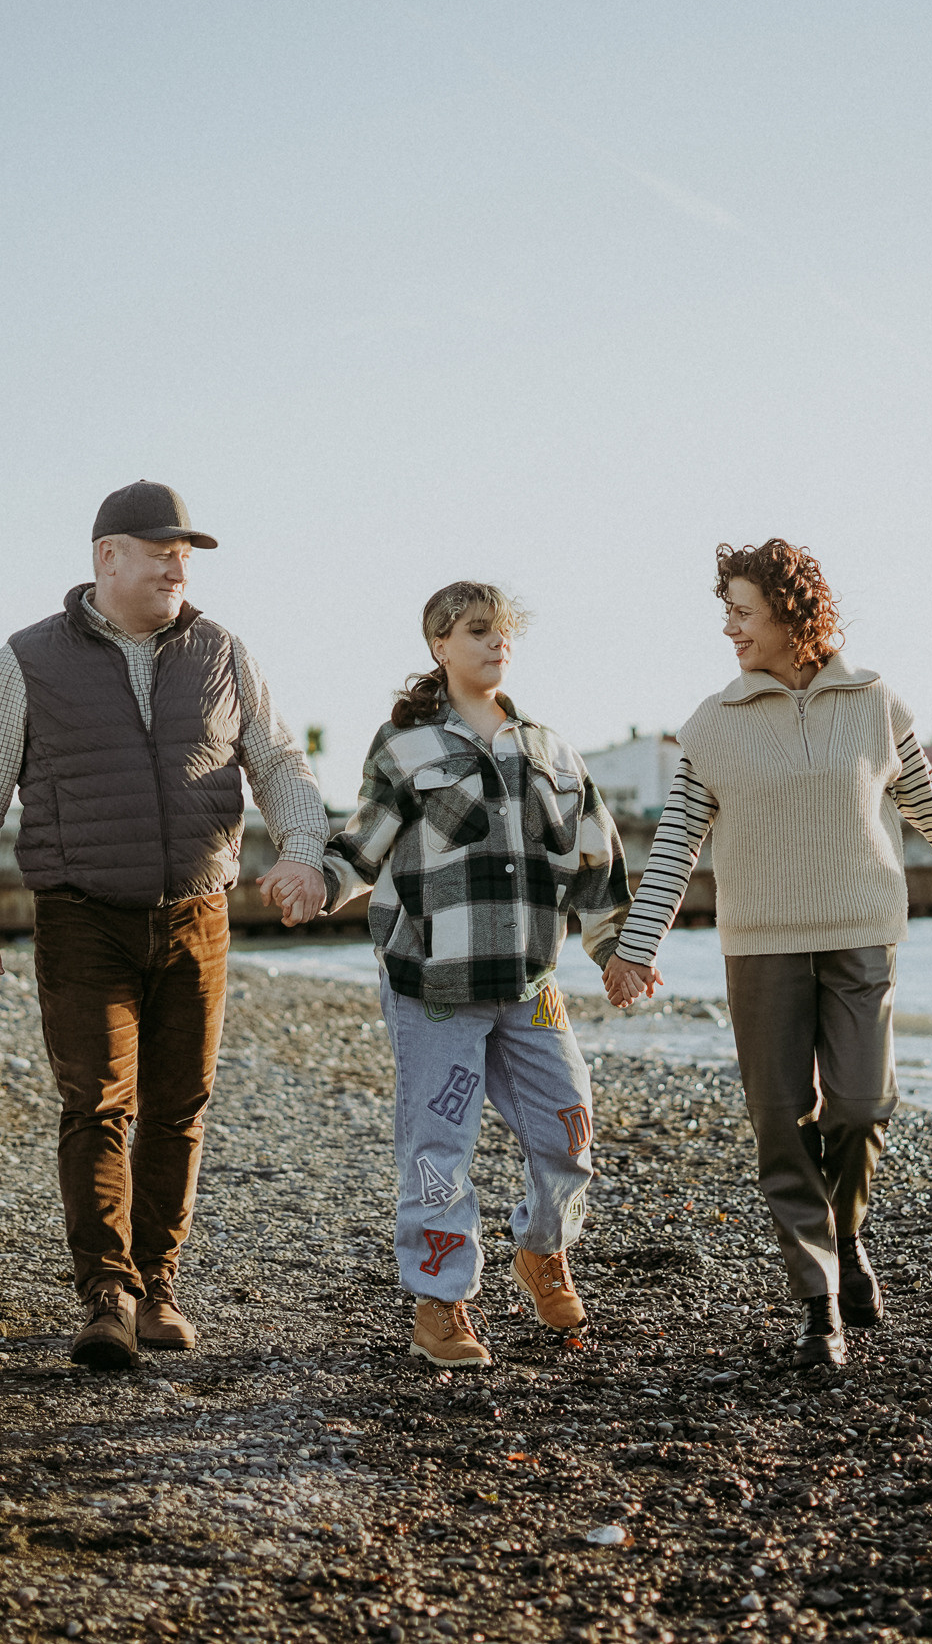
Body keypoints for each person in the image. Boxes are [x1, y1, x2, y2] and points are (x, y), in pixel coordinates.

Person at [0, 479, 330, 1370]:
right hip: (82, 918)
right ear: (107, 556)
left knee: (180, 1108)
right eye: (160, 553)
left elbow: (279, 760)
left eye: (185, 556)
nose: (177, 568)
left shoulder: (223, 651)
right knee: (97, 1104)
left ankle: (158, 1284)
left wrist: (304, 847)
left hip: (199, 914)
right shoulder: (25, 661)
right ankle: (106, 1294)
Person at [603, 540, 932, 1368]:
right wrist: (633, 947)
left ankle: (848, 1232)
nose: (730, 629)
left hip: (862, 932)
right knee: (780, 1123)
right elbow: (678, 841)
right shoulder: (712, 725)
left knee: (862, 1105)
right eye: (725, 612)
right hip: (762, 947)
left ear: (792, 613)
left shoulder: (872, 702)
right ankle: (819, 1300)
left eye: (742, 612)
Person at [319, 582, 630, 1370]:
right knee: (438, 1147)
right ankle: (440, 1301)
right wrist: (315, 885)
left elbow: (596, 860)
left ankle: (541, 1249)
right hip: (433, 988)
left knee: (571, 1132)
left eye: (504, 632)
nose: (497, 643)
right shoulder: (405, 748)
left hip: (529, 984)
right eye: (478, 630)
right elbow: (362, 846)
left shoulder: (553, 751)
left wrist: (618, 952)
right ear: (439, 644)